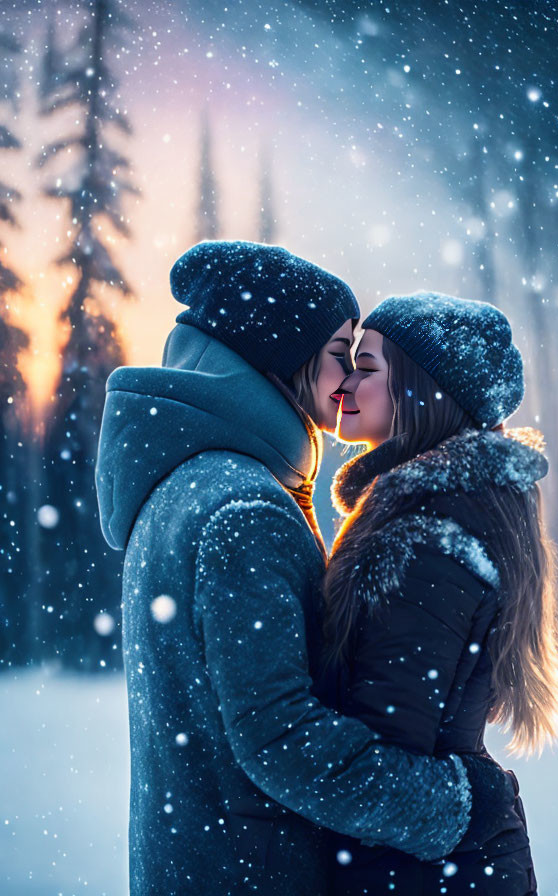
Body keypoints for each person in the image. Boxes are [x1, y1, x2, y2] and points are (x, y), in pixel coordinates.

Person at [95, 245, 514, 896]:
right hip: (256, 876)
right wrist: (453, 801)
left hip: (201, 865)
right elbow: (281, 737)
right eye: (339, 351)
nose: (348, 376)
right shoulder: (243, 510)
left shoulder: (186, 482)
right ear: (284, 356)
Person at [318, 292, 558, 895]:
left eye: (368, 368)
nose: (345, 384)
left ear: (419, 390)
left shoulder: (430, 537)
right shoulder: (438, 514)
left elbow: (387, 749)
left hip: (429, 870)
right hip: (441, 862)